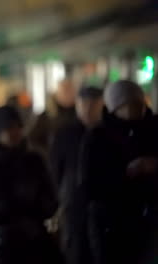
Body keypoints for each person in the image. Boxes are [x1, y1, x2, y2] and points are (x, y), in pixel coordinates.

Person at [0, 106, 61, 264]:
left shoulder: (33, 161)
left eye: (17, 127)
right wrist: (8, 206)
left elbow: (50, 199)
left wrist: (36, 205)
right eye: (8, 128)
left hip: (32, 245)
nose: (14, 132)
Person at [81, 80, 158, 264]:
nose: (133, 109)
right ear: (114, 107)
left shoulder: (154, 129)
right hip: (113, 227)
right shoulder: (97, 137)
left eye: (137, 104)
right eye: (126, 105)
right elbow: (90, 185)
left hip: (151, 225)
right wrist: (126, 174)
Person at [50, 86, 103, 264]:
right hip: (73, 203)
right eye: (84, 104)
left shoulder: (107, 133)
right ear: (77, 105)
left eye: (92, 104)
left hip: (102, 204)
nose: (88, 108)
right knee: (75, 251)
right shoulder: (64, 133)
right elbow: (55, 169)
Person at [28, 79, 77, 155]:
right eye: (65, 91)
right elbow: (32, 138)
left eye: (70, 90)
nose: (68, 94)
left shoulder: (80, 114)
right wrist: (47, 153)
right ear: (57, 93)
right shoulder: (47, 116)